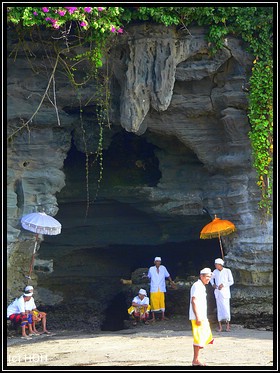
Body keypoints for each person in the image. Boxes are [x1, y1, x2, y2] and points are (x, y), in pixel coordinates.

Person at [189, 267, 214, 366]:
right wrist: (198, 316)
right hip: (197, 316)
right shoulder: (197, 285)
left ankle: (197, 358)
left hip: (202, 316)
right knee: (198, 338)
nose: (209, 279)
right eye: (207, 277)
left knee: (204, 336)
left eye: (209, 277)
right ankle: (195, 360)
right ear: (201, 276)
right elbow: (193, 301)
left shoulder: (202, 286)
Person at [147, 256, 176, 322]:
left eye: (159, 261)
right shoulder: (151, 269)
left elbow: (168, 275)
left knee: (162, 302)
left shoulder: (163, 268)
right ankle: (153, 317)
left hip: (161, 287)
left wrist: (171, 282)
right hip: (154, 288)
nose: (158, 262)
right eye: (157, 261)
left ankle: (163, 316)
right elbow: (148, 277)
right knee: (153, 302)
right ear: (154, 262)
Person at [210, 258, 234, 332]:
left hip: (225, 293)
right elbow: (211, 278)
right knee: (219, 309)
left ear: (220, 265)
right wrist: (213, 284)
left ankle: (227, 326)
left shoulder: (227, 271)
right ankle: (220, 327)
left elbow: (231, 281)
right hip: (218, 293)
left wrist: (223, 285)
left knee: (226, 309)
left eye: (216, 265)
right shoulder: (215, 271)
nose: (215, 266)